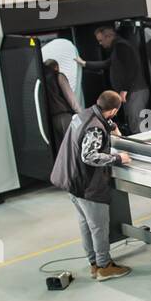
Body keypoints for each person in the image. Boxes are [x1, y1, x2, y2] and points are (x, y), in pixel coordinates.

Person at [49, 89, 133, 282]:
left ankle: (94, 263)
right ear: (113, 110)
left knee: (86, 225)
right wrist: (118, 158)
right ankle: (104, 267)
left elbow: (94, 125)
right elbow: (89, 156)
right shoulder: (95, 128)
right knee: (98, 227)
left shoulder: (82, 115)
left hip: (71, 179)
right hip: (87, 185)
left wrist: (111, 127)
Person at [78, 26, 148, 133]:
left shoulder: (121, 46)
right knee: (134, 121)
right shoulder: (117, 48)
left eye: (101, 40)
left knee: (136, 122)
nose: (100, 43)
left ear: (109, 36)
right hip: (132, 92)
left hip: (135, 91)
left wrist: (124, 90)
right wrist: (85, 63)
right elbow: (107, 63)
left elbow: (131, 67)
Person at [43, 59, 81, 153]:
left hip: (50, 120)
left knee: (61, 149)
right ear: (56, 67)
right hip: (64, 116)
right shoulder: (59, 76)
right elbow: (70, 98)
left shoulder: (42, 80)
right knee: (74, 145)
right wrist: (80, 113)